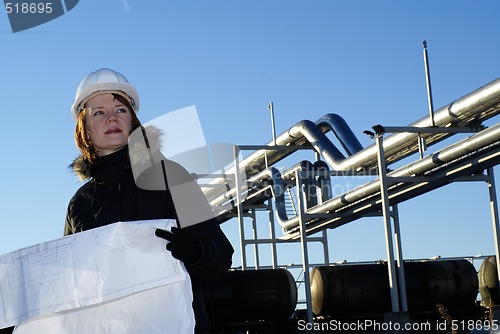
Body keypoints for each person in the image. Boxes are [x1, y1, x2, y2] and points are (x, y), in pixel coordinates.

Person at [64, 68, 234, 333]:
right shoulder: (80, 204)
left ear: (133, 121)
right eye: (98, 112)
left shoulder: (171, 177)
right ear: (84, 128)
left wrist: (196, 253)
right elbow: (72, 284)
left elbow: (220, 258)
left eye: (121, 110)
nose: (111, 117)